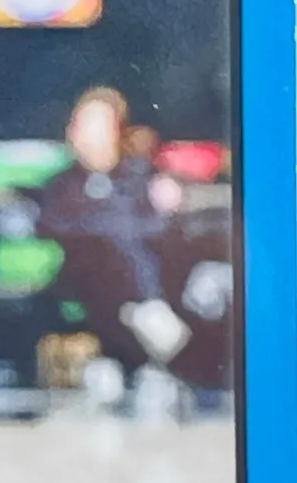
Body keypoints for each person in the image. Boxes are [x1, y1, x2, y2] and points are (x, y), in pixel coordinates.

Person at [33, 87, 190, 379]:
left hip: (143, 281)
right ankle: (145, 313)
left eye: (95, 127)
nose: (84, 136)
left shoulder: (139, 179)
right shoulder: (62, 186)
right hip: (90, 287)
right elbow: (55, 226)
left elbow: (156, 228)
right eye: (80, 126)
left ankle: (146, 313)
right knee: (109, 242)